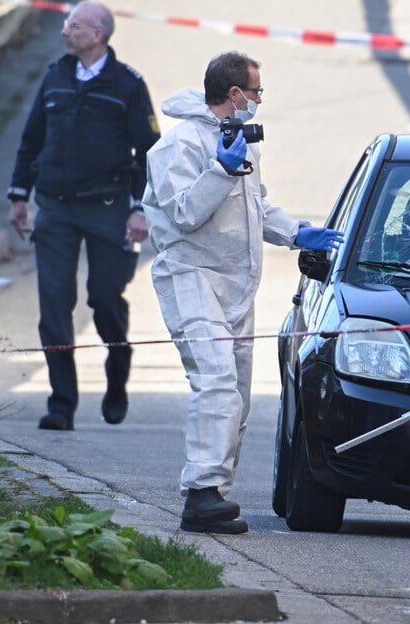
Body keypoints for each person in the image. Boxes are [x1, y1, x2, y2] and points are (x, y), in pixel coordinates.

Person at [142, 51, 344, 534]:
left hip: (234, 283)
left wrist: (297, 233)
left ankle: (216, 492)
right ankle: (201, 495)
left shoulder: (240, 144)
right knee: (214, 382)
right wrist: (219, 170)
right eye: (256, 91)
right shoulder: (179, 146)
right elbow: (186, 214)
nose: (258, 100)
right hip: (190, 276)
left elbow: (257, 207)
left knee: (236, 394)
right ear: (234, 94)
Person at [7, 1, 160, 432]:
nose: (63, 32)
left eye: (72, 25)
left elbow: (150, 152)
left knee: (104, 295)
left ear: (97, 34)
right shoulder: (55, 76)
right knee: (54, 304)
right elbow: (31, 137)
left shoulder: (127, 85)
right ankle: (62, 404)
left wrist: (140, 208)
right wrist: (19, 196)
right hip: (54, 207)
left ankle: (118, 361)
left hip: (109, 208)